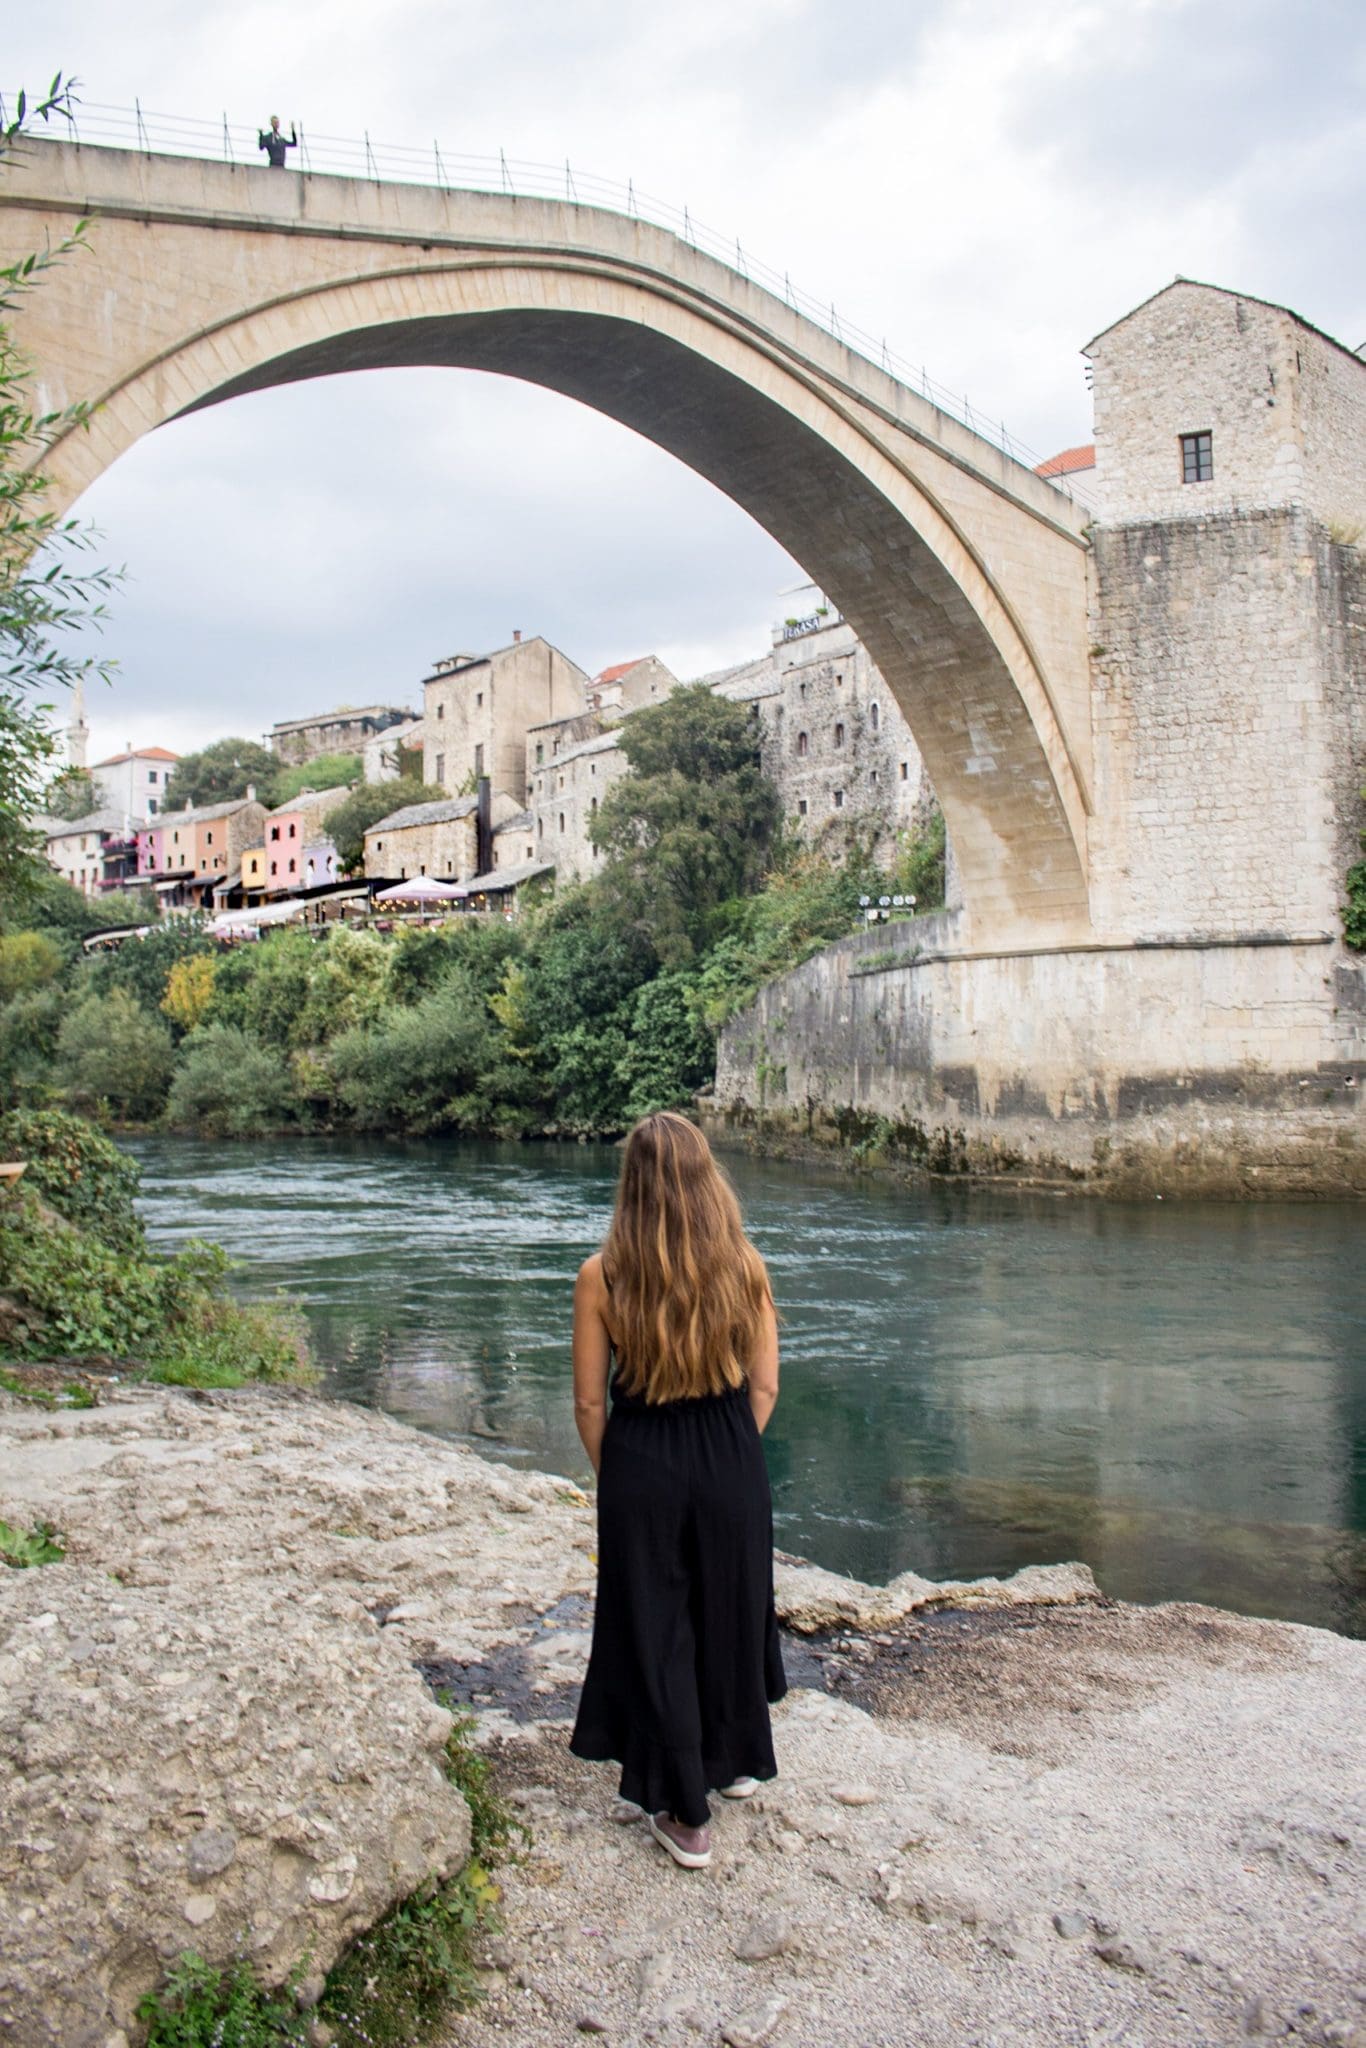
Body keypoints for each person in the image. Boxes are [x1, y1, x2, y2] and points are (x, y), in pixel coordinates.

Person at [569, 1111, 786, 1870]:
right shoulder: (745, 1265)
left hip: (642, 1456)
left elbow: (591, 1403)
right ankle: (732, 1762)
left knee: (658, 1624)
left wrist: (623, 1473)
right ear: (706, 1181)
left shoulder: (602, 1274)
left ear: (631, 1184)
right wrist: (728, 1456)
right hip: (729, 1451)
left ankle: (685, 1811)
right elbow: (765, 1386)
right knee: (727, 1604)